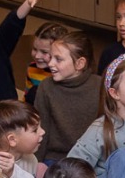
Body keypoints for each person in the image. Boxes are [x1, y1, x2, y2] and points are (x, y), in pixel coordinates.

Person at [33, 30, 100, 167]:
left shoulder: (100, 86)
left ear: (80, 64)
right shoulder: (46, 87)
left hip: (91, 158)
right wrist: (37, 163)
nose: (50, 63)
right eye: (51, 57)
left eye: (58, 59)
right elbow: (41, 128)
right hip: (55, 158)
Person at [23, 21, 68, 103]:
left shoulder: (65, 74)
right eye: (35, 49)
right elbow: (27, 97)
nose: (37, 56)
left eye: (44, 52)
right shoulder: (31, 69)